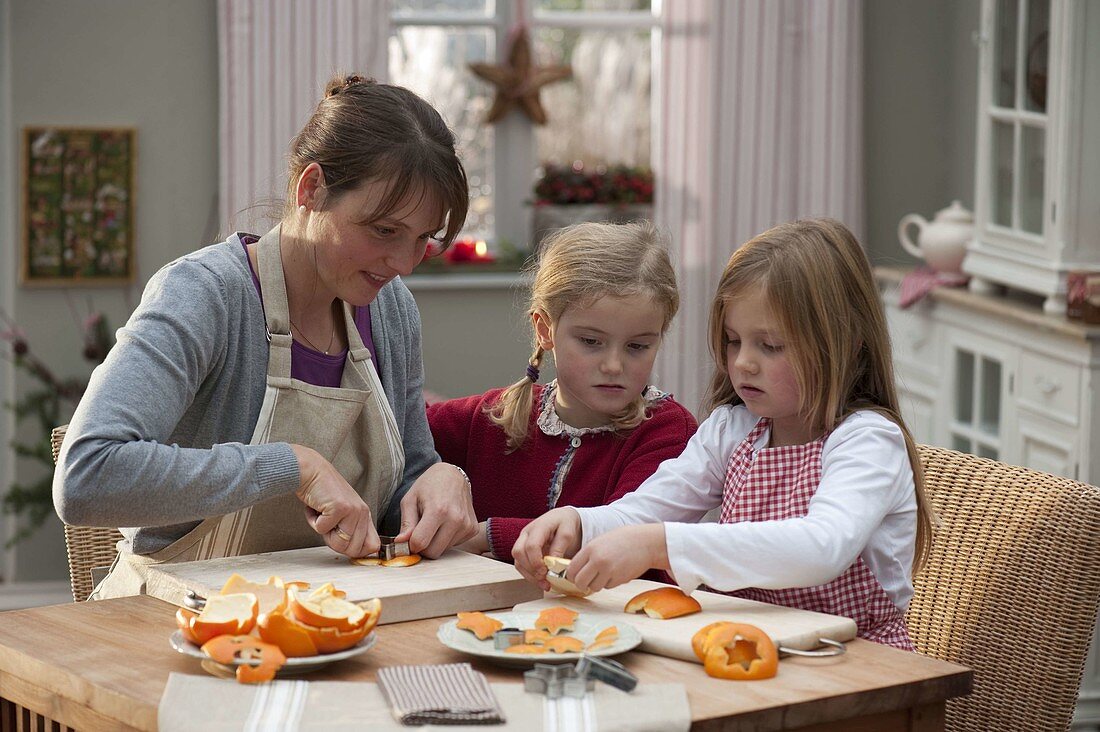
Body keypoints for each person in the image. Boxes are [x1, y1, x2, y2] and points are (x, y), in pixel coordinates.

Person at [54, 75, 479, 599]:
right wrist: (292, 466)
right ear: (311, 188)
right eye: (384, 231)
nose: (403, 265)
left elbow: (402, 481)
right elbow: (86, 475)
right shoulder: (204, 294)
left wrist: (436, 478)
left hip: (324, 618)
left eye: (422, 240)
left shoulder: (390, 309)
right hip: (169, 620)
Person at [512, 218, 935, 650]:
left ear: (844, 344)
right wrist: (581, 523)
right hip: (752, 651)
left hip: (858, 665)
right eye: (734, 341)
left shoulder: (868, 441)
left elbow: (821, 547)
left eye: (769, 346)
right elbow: (650, 510)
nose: (744, 363)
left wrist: (660, 544)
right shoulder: (733, 431)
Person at [427, 221, 698, 561]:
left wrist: (486, 534)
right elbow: (395, 436)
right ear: (545, 329)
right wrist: (445, 471)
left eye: (637, 346)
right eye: (590, 341)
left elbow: (624, 534)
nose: (614, 365)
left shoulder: (669, 431)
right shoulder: (492, 416)